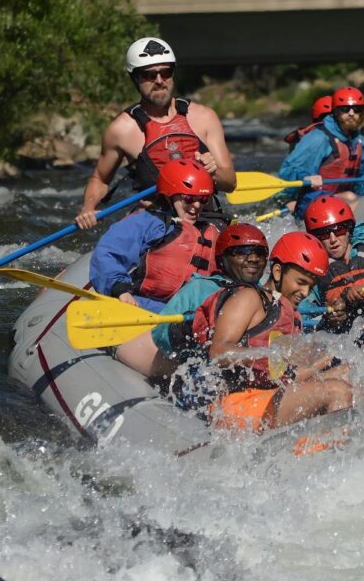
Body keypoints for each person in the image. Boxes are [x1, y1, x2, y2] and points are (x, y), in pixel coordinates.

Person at [191, 232, 354, 433]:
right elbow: (218, 351)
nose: (305, 293)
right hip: (236, 405)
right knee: (336, 390)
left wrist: (324, 360)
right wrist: (271, 356)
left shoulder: (292, 316)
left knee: (350, 375)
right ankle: (331, 449)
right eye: (301, 282)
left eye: (310, 287)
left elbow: (286, 376)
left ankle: (330, 445)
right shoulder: (250, 298)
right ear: (277, 272)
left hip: (269, 398)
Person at [75, 37, 235, 230]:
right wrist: (88, 207)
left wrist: (213, 171)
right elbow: (100, 179)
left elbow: (230, 183)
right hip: (154, 224)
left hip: (204, 219)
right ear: (135, 78)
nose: (159, 81)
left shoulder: (205, 118)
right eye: (149, 75)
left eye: (165, 73)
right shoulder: (121, 130)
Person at [115, 223, 269, 377]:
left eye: (260, 254)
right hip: (192, 368)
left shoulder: (265, 296)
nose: (254, 259)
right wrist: (182, 331)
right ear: (223, 258)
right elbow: (160, 334)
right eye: (243, 252)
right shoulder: (199, 288)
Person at [89, 160, 219, 314]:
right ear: (169, 196)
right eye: (189, 198)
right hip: (145, 308)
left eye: (202, 199)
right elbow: (106, 254)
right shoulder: (145, 223)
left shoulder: (212, 229)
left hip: (195, 315)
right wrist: (120, 290)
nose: (197, 206)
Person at [278, 86, 364, 217]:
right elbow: (288, 171)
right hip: (311, 201)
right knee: (349, 197)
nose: (351, 113)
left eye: (356, 109)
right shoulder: (318, 138)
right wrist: (305, 177)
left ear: (362, 113)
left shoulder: (359, 141)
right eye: (345, 109)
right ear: (335, 112)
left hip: (342, 203)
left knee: (360, 198)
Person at [302, 195, 364, 333]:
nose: (333, 240)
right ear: (315, 239)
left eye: (338, 230)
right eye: (324, 234)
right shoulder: (315, 273)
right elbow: (302, 314)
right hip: (348, 338)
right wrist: (327, 319)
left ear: (348, 229)